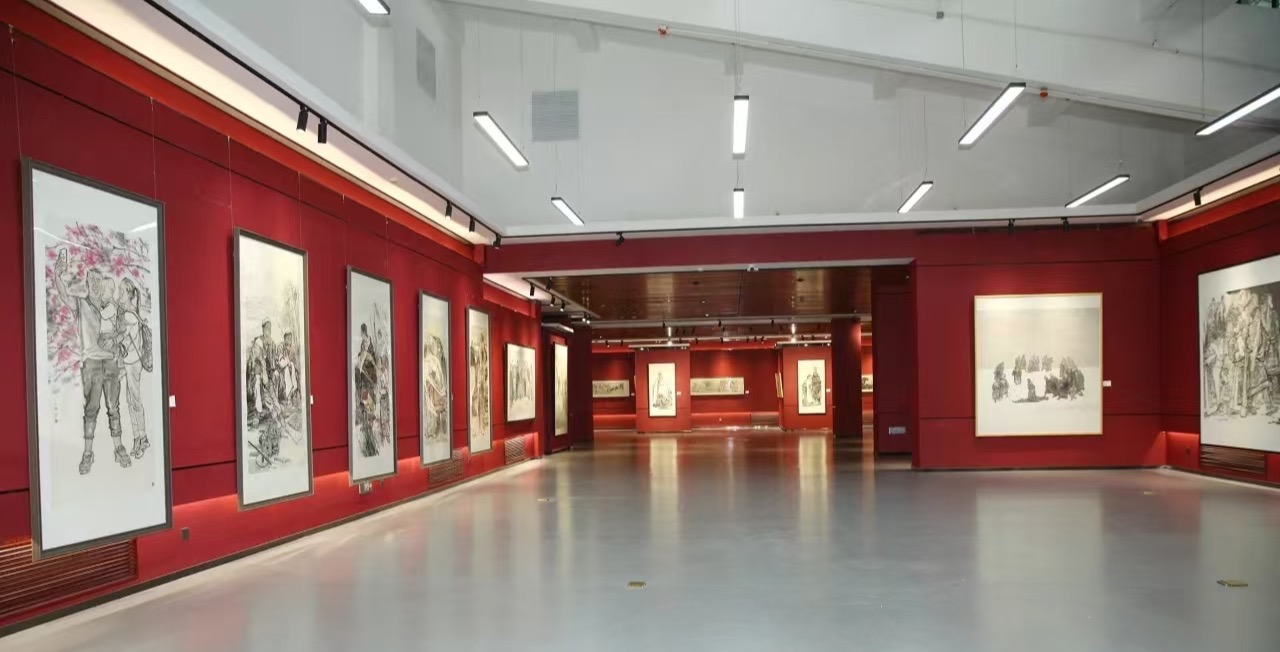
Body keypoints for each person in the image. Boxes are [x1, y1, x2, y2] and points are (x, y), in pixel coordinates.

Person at [53, 251, 128, 474]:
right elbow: (63, 294)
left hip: (110, 363)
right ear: (87, 284)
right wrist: (57, 275)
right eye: (92, 281)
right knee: (91, 409)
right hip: (92, 364)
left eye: (98, 281)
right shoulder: (80, 305)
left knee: (114, 408)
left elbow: (121, 332)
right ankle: (88, 453)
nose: (95, 285)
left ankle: (118, 448)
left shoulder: (110, 308)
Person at [115, 279, 150, 460]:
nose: (119, 295)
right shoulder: (130, 313)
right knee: (130, 400)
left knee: (135, 400)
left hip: (132, 363)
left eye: (121, 292)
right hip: (131, 362)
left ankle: (142, 438)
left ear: (129, 295)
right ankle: (138, 438)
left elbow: (123, 340)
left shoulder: (129, 316)